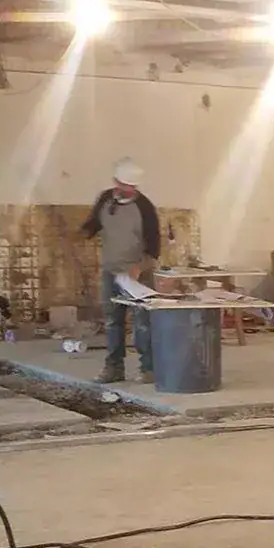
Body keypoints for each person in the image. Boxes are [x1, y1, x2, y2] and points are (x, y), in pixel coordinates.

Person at [81, 157, 161, 383]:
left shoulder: (145, 208)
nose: (126, 190)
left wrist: (139, 268)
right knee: (112, 321)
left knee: (142, 323)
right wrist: (83, 233)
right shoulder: (106, 199)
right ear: (115, 181)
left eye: (131, 187)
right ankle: (114, 368)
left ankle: (148, 368)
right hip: (111, 271)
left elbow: (154, 247)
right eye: (122, 185)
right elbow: (94, 223)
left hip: (137, 274)